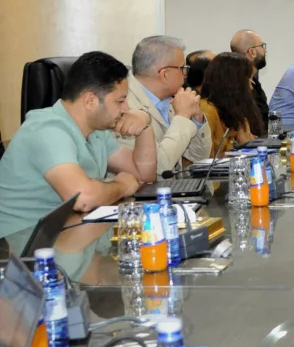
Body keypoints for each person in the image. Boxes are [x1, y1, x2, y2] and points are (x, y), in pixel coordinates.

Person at [0, 51, 157, 240]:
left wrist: (145, 123)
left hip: (67, 235)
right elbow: (82, 198)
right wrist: (122, 186)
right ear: (90, 100)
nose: (126, 109)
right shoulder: (47, 129)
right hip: (23, 245)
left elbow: (143, 175)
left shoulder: (96, 131)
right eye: (120, 101)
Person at [119, 35, 212, 174]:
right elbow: (158, 168)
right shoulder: (124, 105)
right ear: (165, 74)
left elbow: (199, 157)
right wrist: (183, 116)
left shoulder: (170, 98)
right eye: (183, 68)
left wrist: (197, 119)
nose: (185, 74)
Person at [201, 52, 264, 156]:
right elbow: (211, 157)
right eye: (248, 80)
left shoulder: (230, 110)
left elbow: (247, 138)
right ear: (233, 83)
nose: (251, 87)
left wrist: (246, 142)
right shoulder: (207, 111)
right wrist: (243, 146)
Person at [230, 29, 270, 132]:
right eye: (262, 46)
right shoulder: (237, 88)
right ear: (252, 52)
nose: (265, 51)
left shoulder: (254, 82)